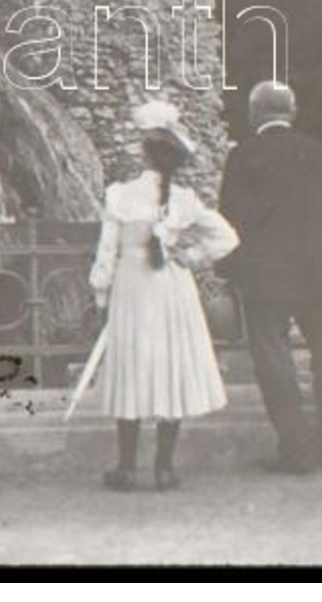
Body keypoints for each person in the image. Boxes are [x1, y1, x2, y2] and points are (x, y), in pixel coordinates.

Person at [88, 100, 240, 491]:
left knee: (133, 368)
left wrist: (101, 297)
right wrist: (188, 256)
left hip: (133, 288)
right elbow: (226, 238)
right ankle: (164, 468)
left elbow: (107, 254)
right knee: (169, 367)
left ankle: (126, 468)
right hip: (173, 289)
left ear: (144, 151)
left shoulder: (120, 195)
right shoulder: (186, 199)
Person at [217, 81, 322, 474]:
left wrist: (230, 272)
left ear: (254, 113)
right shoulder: (320, 154)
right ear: (292, 112)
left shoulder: (244, 157)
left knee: (274, 359)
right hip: (320, 272)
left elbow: (231, 220)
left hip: (267, 276)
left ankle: (296, 449)